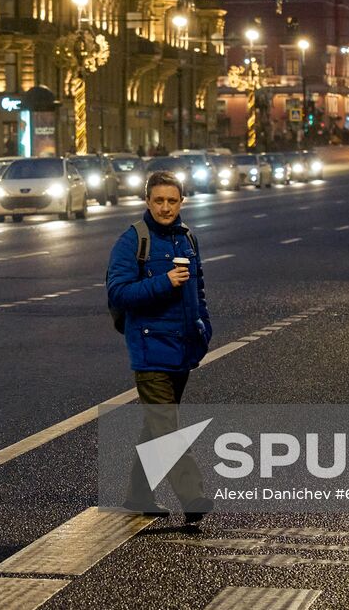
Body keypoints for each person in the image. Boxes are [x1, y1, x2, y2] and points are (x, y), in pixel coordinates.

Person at [106, 170, 213, 523]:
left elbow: (198, 292)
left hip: (182, 348)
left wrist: (203, 330)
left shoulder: (187, 239)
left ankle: (138, 493)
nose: (165, 207)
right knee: (167, 427)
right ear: (147, 201)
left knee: (157, 426)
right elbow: (118, 293)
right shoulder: (132, 241)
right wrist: (163, 283)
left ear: (182, 202)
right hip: (150, 349)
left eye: (172, 200)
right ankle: (193, 496)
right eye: (158, 201)